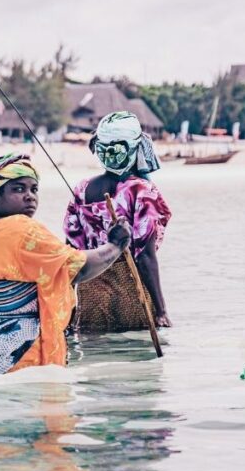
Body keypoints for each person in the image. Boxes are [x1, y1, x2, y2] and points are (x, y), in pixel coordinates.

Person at [0, 154, 131, 379]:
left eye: (34, 189)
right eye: (18, 189)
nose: (30, 197)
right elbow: (77, 268)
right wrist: (115, 245)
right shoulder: (22, 229)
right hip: (16, 352)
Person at [64, 112, 173, 329]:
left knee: (97, 354)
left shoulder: (82, 190)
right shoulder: (142, 190)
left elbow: (71, 255)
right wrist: (161, 312)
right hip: (131, 292)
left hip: (91, 294)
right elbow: (145, 257)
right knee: (138, 357)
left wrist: (68, 311)